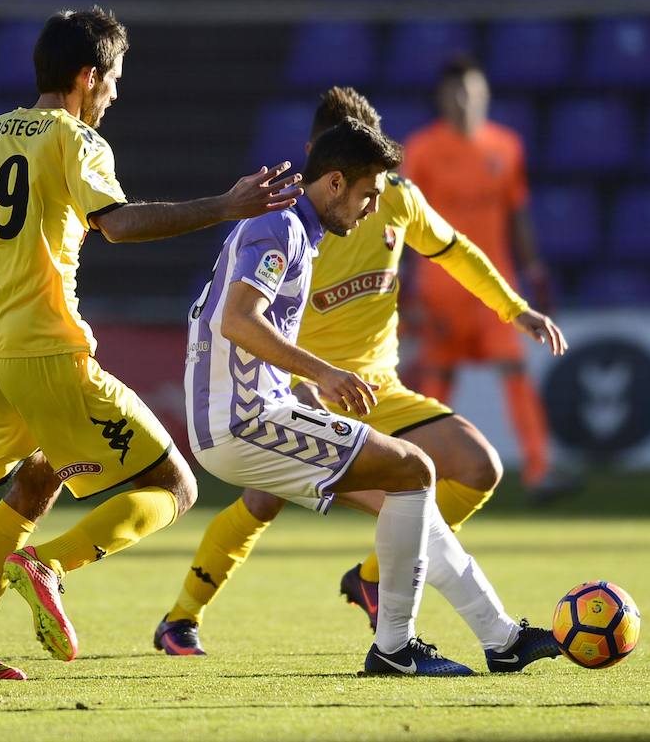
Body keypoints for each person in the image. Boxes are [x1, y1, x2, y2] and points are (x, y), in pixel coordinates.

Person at [0, 7, 301, 682]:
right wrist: (225, 205)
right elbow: (117, 225)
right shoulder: (73, 139)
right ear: (87, 76)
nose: (116, 94)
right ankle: (48, 565)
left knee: (34, 484)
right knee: (174, 485)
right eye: (114, 79)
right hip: (46, 352)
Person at [155, 88, 567, 673]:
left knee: (412, 492)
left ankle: (501, 639)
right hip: (248, 418)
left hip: (286, 404)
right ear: (333, 179)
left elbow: (224, 315)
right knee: (406, 472)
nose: (376, 205)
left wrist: (512, 307)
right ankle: (392, 647)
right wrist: (320, 373)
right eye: (369, 192)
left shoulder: (312, 225)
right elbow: (234, 320)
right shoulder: (281, 227)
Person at [403, 56, 569, 500]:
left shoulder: (506, 146)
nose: (463, 101)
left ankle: (540, 470)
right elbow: (397, 222)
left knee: (515, 370)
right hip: (440, 289)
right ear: (441, 97)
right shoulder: (420, 150)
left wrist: (535, 270)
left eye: (472, 92)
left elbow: (518, 214)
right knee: (436, 381)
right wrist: (402, 289)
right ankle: (418, 475)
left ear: (485, 95)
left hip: (496, 286)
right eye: (456, 92)